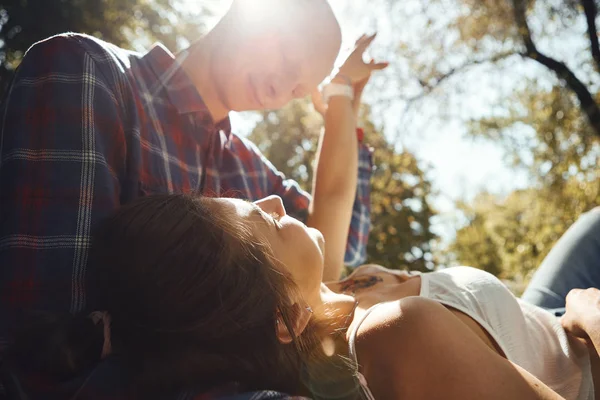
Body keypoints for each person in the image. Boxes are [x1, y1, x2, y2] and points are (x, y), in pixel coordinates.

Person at [0, 0, 388, 351]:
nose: (280, 88)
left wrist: (342, 99)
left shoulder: (250, 169)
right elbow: (47, 340)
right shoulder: (89, 71)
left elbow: (342, 244)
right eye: (287, 58)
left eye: (299, 89)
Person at [7, 194, 600, 400]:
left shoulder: (328, 302)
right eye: (262, 223)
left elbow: (336, 195)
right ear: (282, 320)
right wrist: (591, 318)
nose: (273, 202)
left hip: (538, 316)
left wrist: (342, 95)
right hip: (581, 350)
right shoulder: (394, 335)